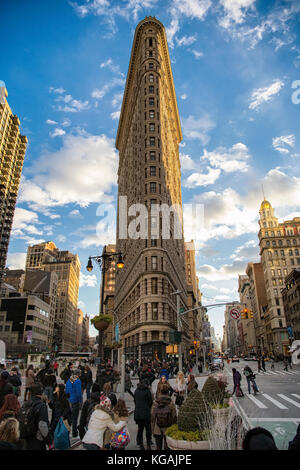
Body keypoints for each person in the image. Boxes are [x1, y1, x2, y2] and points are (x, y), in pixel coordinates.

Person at [20, 382, 52, 450]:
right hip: (37, 439)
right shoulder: (41, 405)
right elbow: (42, 425)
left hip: (26, 438)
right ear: (41, 391)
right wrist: (49, 442)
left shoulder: (25, 404)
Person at [151, 384, 177, 450]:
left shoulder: (156, 402)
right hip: (168, 426)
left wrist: (152, 428)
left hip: (157, 426)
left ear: (160, 391)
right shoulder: (170, 402)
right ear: (168, 392)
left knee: (158, 446)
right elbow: (174, 415)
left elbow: (152, 415)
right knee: (167, 446)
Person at [134, 379, 153, 450]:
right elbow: (150, 401)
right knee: (148, 429)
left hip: (138, 412)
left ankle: (140, 443)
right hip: (146, 412)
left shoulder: (136, 391)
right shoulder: (147, 391)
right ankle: (148, 443)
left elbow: (135, 400)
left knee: (140, 428)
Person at [65, 370, 82, 438]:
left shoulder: (69, 380)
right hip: (75, 400)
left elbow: (66, 391)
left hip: (69, 401)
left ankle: (67, 431)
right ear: (78, 374)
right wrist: (80, 400)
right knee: (75, 418)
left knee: (69, 418)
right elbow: (78, 392)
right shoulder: (77, 381)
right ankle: (74, 433)